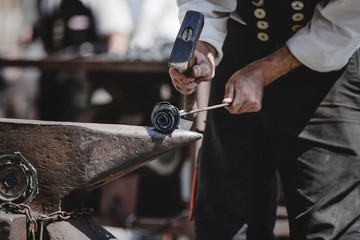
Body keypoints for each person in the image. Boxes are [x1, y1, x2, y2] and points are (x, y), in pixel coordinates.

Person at [169, 0, 360, 239]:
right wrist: (204, 48)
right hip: (240, 46)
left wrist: (262, 72)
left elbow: (347, 18)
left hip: (330, 54)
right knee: (226, 224)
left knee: (328, 227)